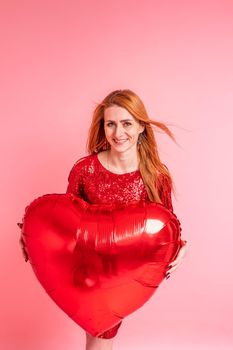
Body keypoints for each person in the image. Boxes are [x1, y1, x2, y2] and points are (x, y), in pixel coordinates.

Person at [64, 89, 188, 350]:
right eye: (111, 124)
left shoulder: (155, 176)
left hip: (128, 273)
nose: (118, 133)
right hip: (88, 270)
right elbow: (66, 218)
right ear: (103, 127)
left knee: (98, 335)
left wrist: (180, 248)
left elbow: (166, 225)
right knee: (97, 334)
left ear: (142, 126)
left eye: (127, 123)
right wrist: (30, 232)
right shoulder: (84, 170)